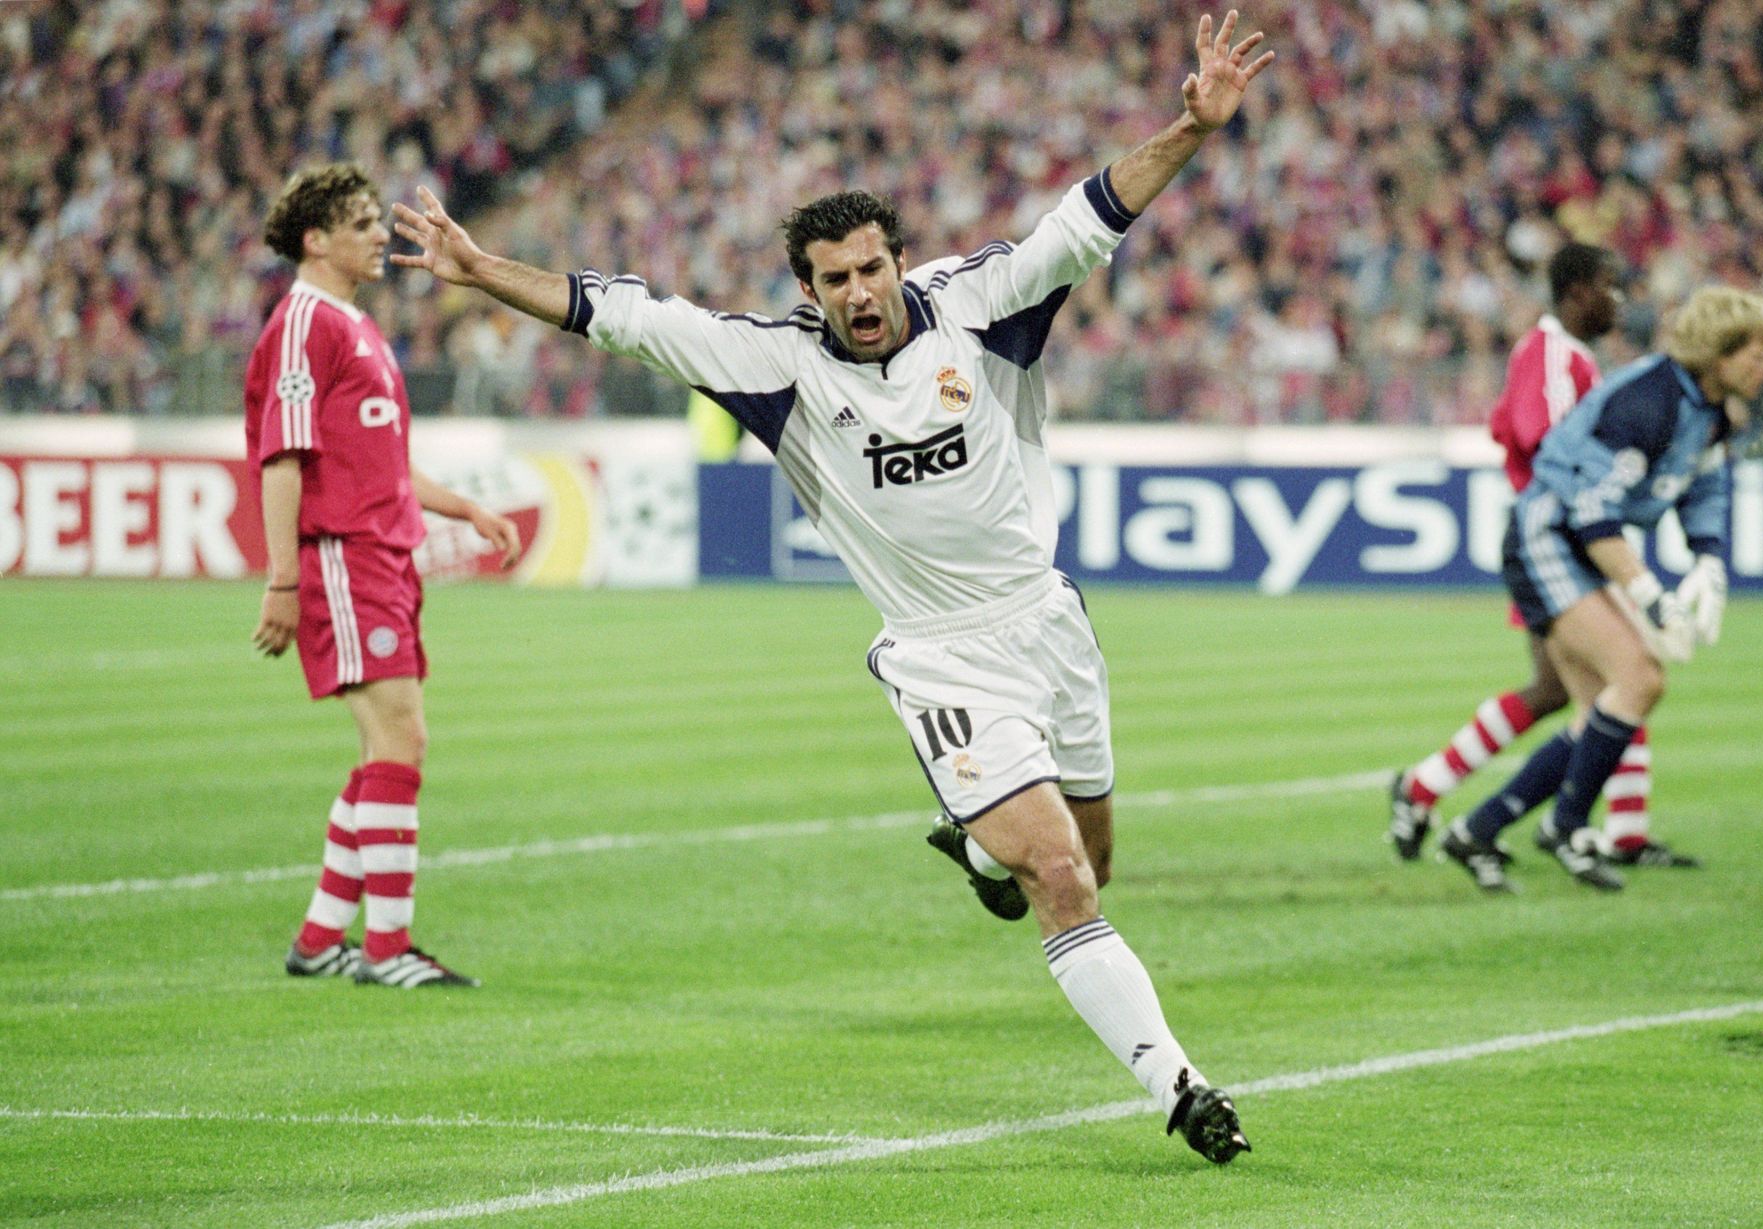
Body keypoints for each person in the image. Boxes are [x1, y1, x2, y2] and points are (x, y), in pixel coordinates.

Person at [390, 11, 1273, 1162]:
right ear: (806, 288)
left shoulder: (985, 303)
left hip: (1050, 623)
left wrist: (1191, 130)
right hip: (939, 648)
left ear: (899, 260)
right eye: (833, 280)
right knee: (1058, 874)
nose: (858, 292)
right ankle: (1179, 1084)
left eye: (871, 268)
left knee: (1094, 857)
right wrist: (478, 267)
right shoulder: (780, 365)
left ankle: (971, 841)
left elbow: (1093, 212)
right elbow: (624, 315)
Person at [245, 163, 522, 987]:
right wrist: (284, 580)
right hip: (343, 555)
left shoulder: (355, 325)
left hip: (383, 551)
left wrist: (465, 509)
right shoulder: (303, 324)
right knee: (402, 738)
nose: (379, 235)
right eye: (362, 223)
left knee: (384, 746)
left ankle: (320, 937)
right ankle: (387, 949)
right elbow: (281, 459)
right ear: (315, 238)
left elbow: (387, 462)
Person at [1435, 286, 1763, 893]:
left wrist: (1709, 560)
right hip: (1551, 535)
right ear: (1719, 355)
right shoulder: (1648, 403)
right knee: (1640, 678)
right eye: (1756, 353)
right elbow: (1593, 515)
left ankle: (1478, 829)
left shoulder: (1711, 410)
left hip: (1578, 541)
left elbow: (1704, 488)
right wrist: (1649, 593)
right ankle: (1566, 827)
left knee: (1602, 707)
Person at [1387, 245, 1696, 868]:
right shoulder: (1556, 356)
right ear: (1578, 290)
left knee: (1575, 687)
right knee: (1621, 675)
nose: (1619, 298)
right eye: (1610, 284)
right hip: (1555, 544)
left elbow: (1509, 428)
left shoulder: (1566, 356)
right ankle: (1609, 832)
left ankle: (1425, 789)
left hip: (1556, 541)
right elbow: (1546, 441)